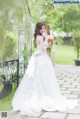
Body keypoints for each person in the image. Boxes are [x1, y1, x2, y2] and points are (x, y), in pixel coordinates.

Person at [12, 22, 78, 116]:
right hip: (39, 59)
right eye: (41, 28)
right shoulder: (39, 37)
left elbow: (48, 47)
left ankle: (45, 93)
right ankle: (37, 95)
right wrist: (47, 39)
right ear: (38, 29)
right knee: (38, 77)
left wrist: (50, 41)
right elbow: (42, 48)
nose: (43, 30)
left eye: (44, 28)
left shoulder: (43, 36)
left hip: (44, 58)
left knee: (46, 77)